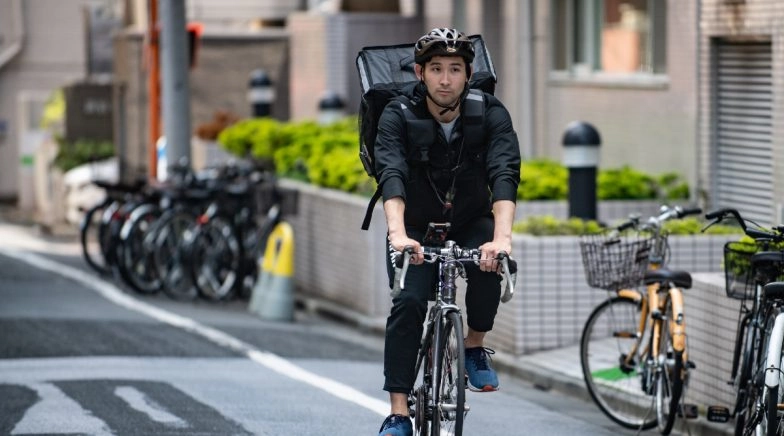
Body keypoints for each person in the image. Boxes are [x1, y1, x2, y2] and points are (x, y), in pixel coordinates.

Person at [374, 28, 521, 436]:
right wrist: (399, 235)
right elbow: (392, 175)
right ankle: (399, 412)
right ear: (420, 72)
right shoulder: (397, 114)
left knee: (492, 263)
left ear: (468, 73)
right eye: (435, 69)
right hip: (415, 226)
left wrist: (502, 239)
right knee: (408, 303)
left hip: (471, 219)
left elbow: (505, 174)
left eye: (455, 69)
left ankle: (473, 345)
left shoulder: (490, 113)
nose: (444, 79)